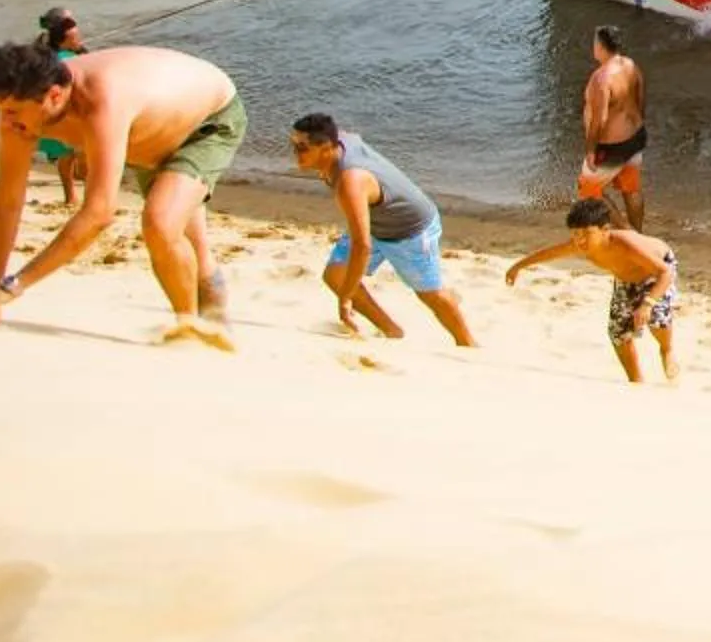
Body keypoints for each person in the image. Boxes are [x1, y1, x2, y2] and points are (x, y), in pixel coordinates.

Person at [0, 42, 246, 345]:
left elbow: (99, 214)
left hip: (207, 122)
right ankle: (208, 325)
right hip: (147, 137)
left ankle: (189, 329)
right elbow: (7, 203)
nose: (4, 122)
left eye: (11, 111)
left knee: (161, 224)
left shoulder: (102, 101)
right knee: (191, 243)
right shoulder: (21, 117)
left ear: (55, 96)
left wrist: (15, 285)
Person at [287, 112, 475, 347]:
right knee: (336, 275)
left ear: (326, 147)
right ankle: (392, 331)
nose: (295, 153)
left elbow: (362, 246)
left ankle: (468, 344)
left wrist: (345, 300)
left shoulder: (350, 182)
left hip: (411, 230)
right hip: (377, 223)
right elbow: (350, 134)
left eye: (302, 147)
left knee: (431, 294)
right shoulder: (341, 140)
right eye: (293, 145)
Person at [505, 197, 678, 383]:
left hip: (657, 270)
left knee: (655, 319)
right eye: (575, 234)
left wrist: (647, 303)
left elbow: (665, 273)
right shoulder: (580, 246)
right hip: (625, 278)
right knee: (618, 333)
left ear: (605, 230)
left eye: (587, 233)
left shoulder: (625, 244)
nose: (580, 240)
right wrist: (518, 266)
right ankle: (635, 380)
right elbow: (548, 253)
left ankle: (666, 350)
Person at [576, 23, 649, 231]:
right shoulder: (631, 65)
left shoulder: (601, 78)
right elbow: (641, 99)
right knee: (631, 188)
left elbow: (600, 119)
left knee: (588, 190)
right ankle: (638, 234)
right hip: (636, 137)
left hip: (613, 146)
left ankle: (628, 233)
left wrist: (591, 150)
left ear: (600, 46)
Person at [31, 9, 84, 206]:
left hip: (50, 114)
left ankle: (71, 195)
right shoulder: (68, 60)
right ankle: (73, 195)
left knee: (68, 156)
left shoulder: (49, 56)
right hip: (64, 114)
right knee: (74, 154)